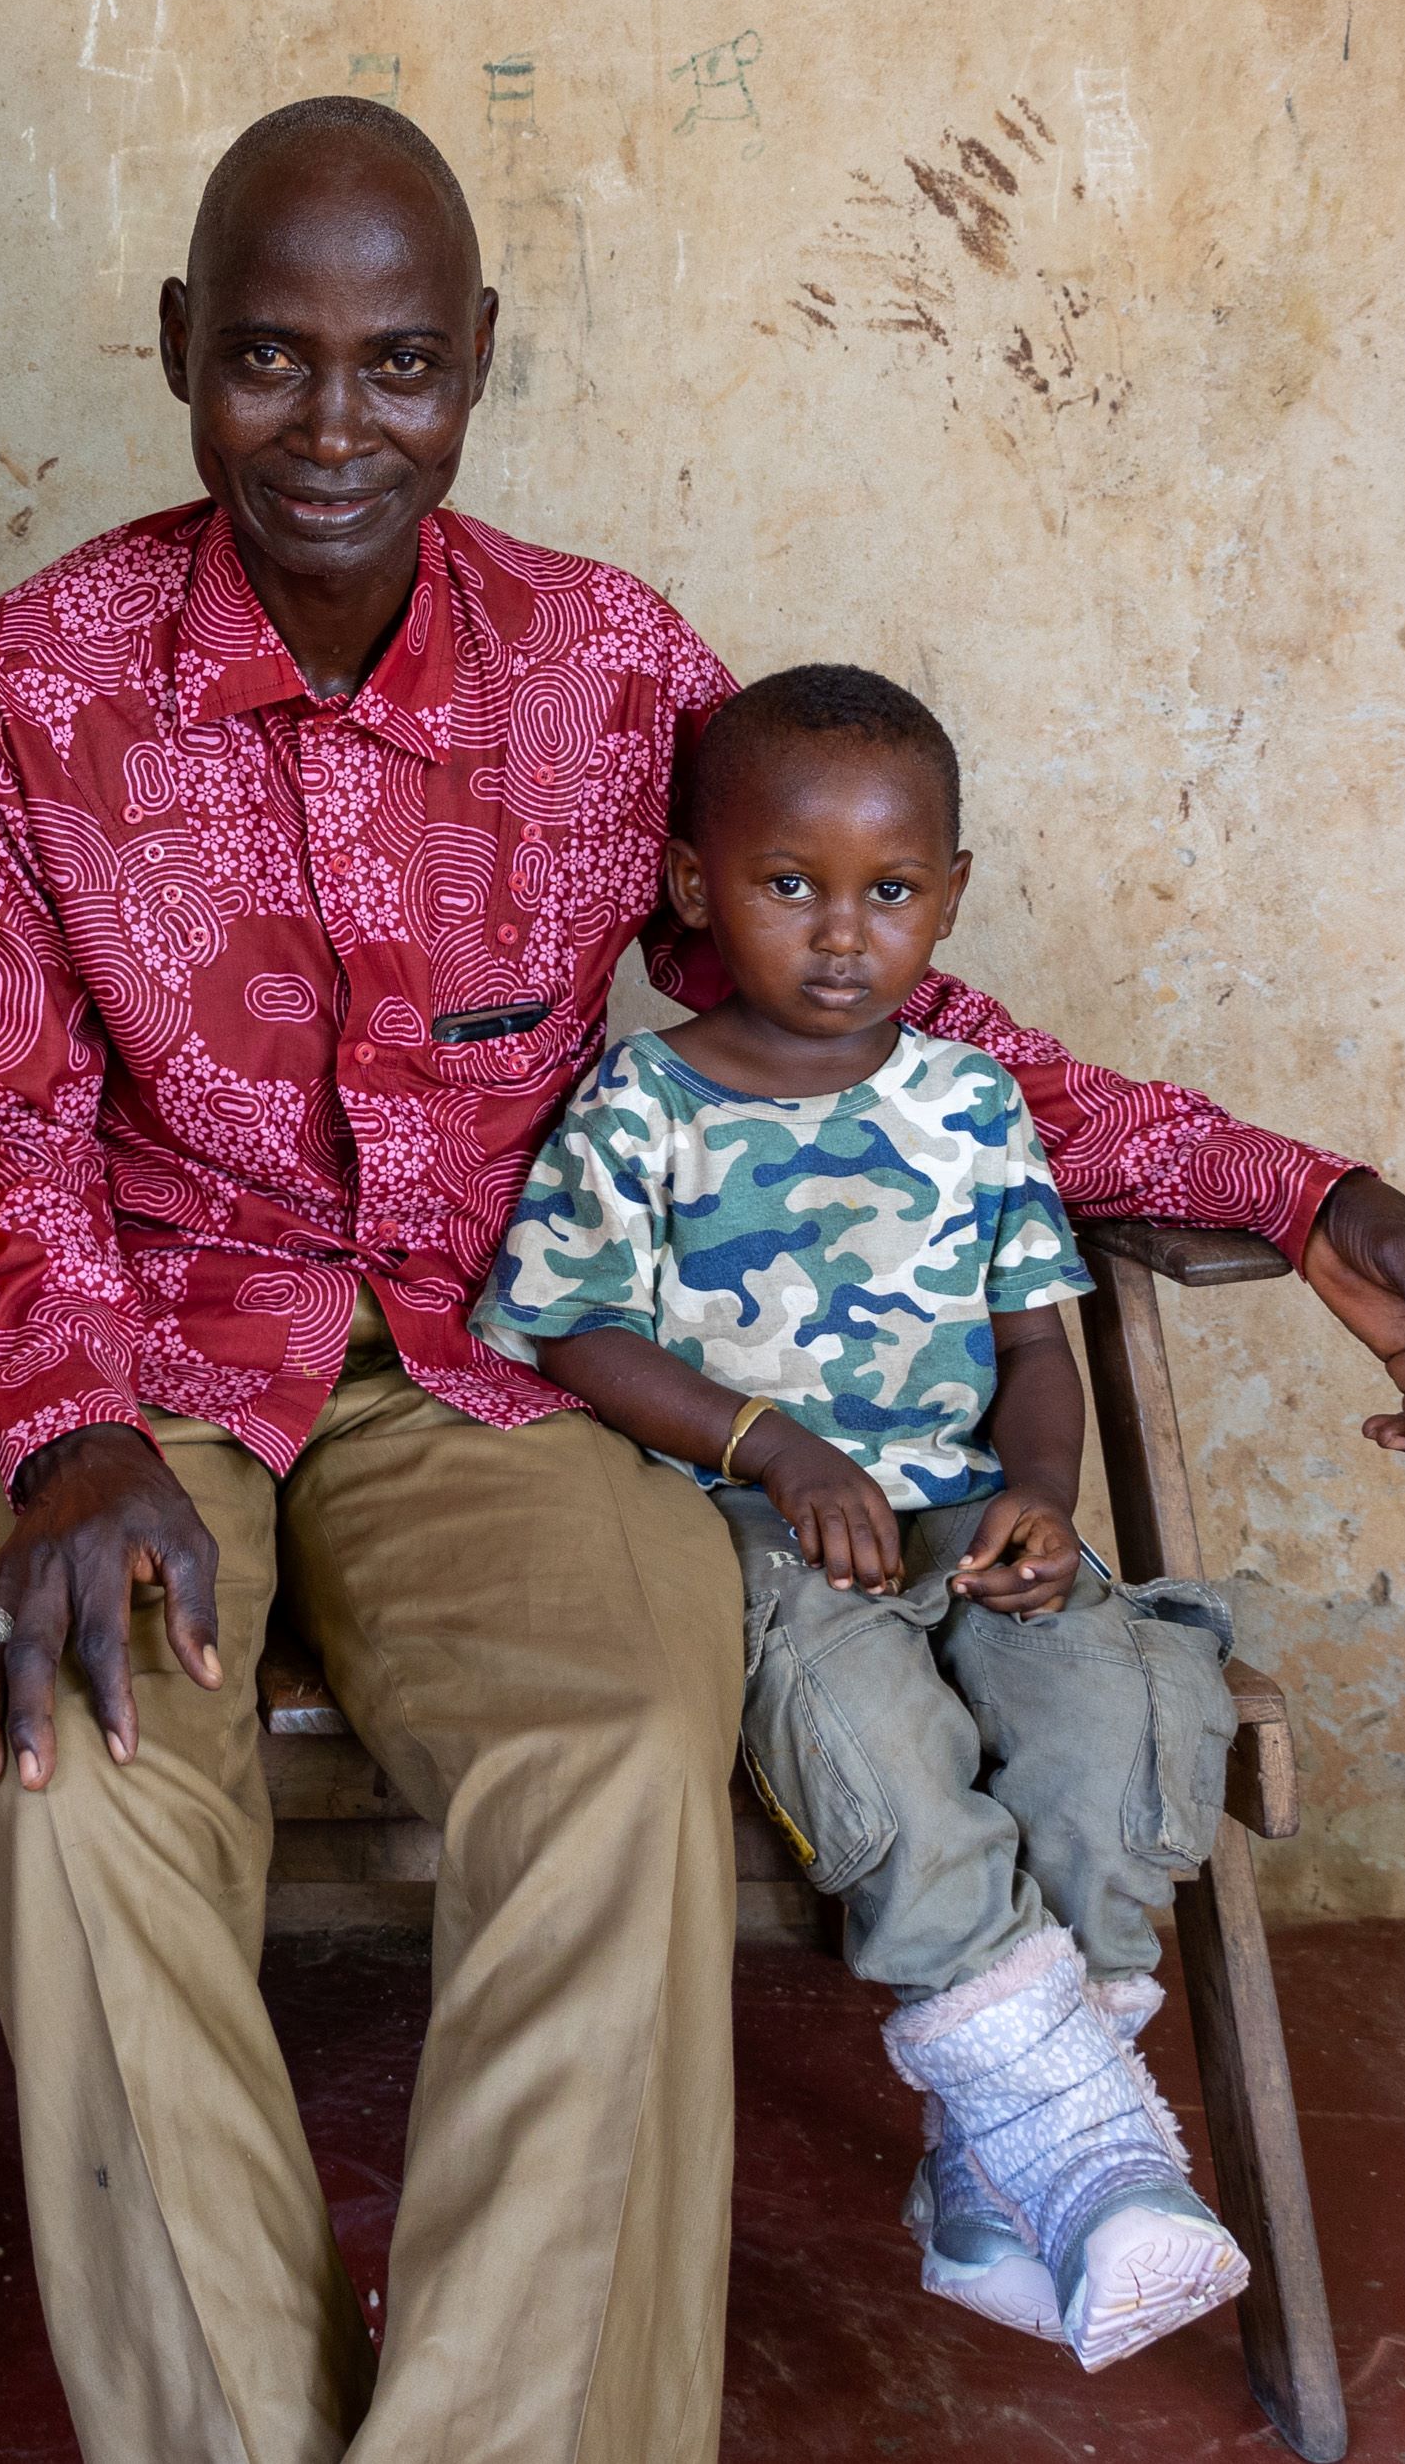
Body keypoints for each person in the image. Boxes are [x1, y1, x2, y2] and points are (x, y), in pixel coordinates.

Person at [0, 96, 1405, 2464]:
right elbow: (0, 1113)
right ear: (176, 348)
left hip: (512, 1362)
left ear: (477, 358)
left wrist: (1308, 1198)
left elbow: (868, 1020)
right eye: (265, 357)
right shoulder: (25, 685)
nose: (332, 427)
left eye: (396, 363)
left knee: (611, 1755)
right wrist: (59, 1441)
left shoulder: (603, 672)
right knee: (68, 1772)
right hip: (137, 1366)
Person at [482, 664, 1255, 2369]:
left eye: (890, 892)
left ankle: (1011, 2152)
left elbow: (1032, 1346)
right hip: (760, 1535)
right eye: (789, 885)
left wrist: (1042, 1496)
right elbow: (573, 1325)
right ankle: (1083, 2165)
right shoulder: (644, 1105)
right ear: (693, 889)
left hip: (969, 1513)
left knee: (1110, 1710)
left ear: (949, 899)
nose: (843, 936)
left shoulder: (970, 1105)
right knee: (877, 1741)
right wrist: (770, 1446)